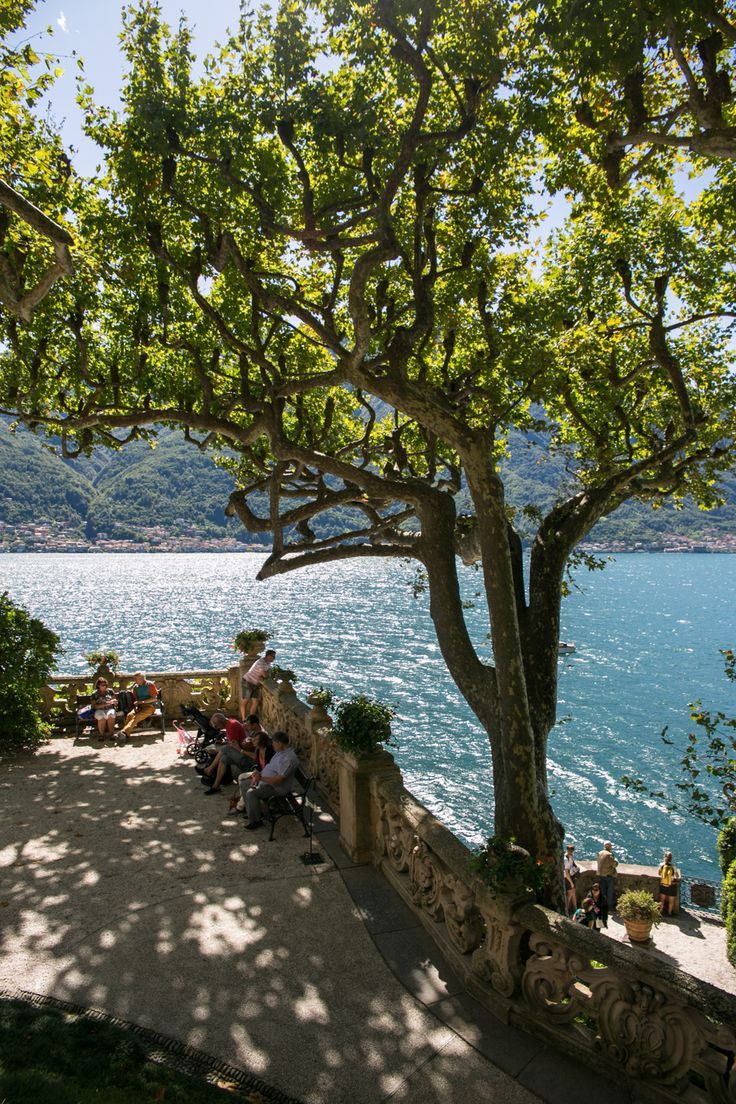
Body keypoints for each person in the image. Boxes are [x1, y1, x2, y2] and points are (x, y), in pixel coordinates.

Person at [241, 730, 298, 830]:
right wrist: (258, 774)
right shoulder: (280, 752)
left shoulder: (288, 758)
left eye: (274, 743)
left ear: (280, 743)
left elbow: (279, 780)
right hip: (266, 781)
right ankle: (253, 812)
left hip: (276, 787)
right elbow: (269, 767)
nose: (272, 744)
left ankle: (256, 820)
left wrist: (261, 778)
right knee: (243, 784)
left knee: (251, 793)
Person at [199, 713, 254, 794]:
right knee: (224, 758)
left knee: (225, 749)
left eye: (216, 726)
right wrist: (223, 743)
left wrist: (218, 751)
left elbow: (233, 747)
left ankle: (209, 769)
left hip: (245, 757)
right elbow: (232, 744)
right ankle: (216, 786)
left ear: (222, 722)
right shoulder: (230, 724)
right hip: (240, 753)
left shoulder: (232, 726)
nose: (216, 728)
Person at [119, 672, 158, 740]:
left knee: (137, 716)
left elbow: (154, 698)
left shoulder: (150, 685)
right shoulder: (136, 687)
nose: (135, 681)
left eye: (136, 679)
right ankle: (126, 734)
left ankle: (124, 732)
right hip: (140, 706)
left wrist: (143, 702)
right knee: (129, 715)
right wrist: (137, 704)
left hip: (150, 706)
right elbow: (136, 699)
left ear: (142, 678)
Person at [240, 649, 276, 720]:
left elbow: (267, 673)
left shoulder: (267, 663)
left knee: (255, 702)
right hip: (248, 682)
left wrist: (266, 674)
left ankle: (250, 719)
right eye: (273, 656)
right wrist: (266, 674)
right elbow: (265, 675)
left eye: (274, 657)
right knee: (245, 701)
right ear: (268, 656)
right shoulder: (261, 662)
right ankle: (244, 719)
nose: (274, 658)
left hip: (256, 684)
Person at [596, 841, 619, 915]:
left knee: (602, 892)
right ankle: (609, 908)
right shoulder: (609, 855)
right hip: (609, 876)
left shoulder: (600, 853)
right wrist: (616, 860)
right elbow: (615, 864)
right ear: (609, 847)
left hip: (601, 875)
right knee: (609, 892)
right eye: (611, 846)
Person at [658, 851, 681, 916]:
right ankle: (669, 913)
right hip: (671, 886)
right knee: (671, 901)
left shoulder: (661, 865)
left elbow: (659, 873)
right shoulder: (673, 867)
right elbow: (677, 876)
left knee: (662, 899)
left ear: (664, 857)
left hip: (663, 884)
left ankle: (660, 912)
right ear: (671, 858)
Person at [563, 843, 580, 915]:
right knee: (570, 893)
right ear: (567, 849)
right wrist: (571, 882)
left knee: (573, 892)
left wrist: (576, 868)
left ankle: (575, 908)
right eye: (570, 850)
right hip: (567, 877)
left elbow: (573, 864)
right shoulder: (565, 859)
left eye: (572, 849)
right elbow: (566, 872)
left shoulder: (571, 856)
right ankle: (566, 909)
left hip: (571, 876)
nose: (571, 851)